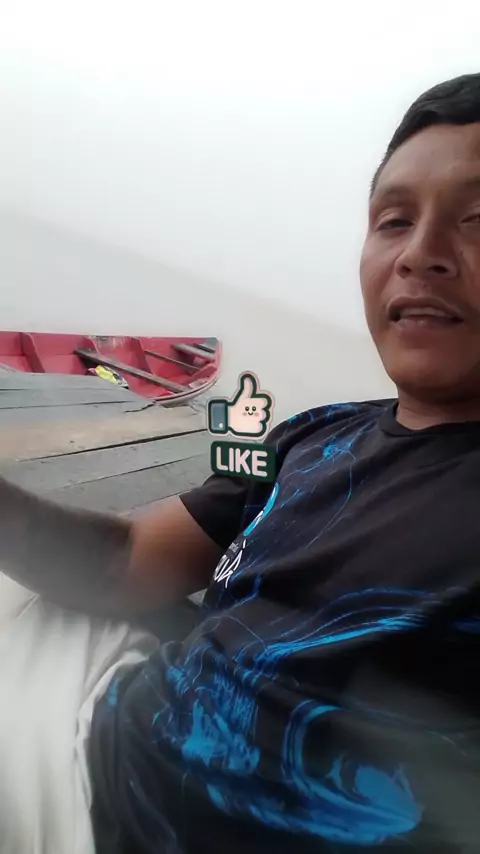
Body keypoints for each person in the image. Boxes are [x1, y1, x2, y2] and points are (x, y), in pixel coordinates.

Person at [1, 71, 480, 854]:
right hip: (84, 706)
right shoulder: (311, 436)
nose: (421, 255)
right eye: (394, 221)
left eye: (477, 219)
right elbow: (126, 559)